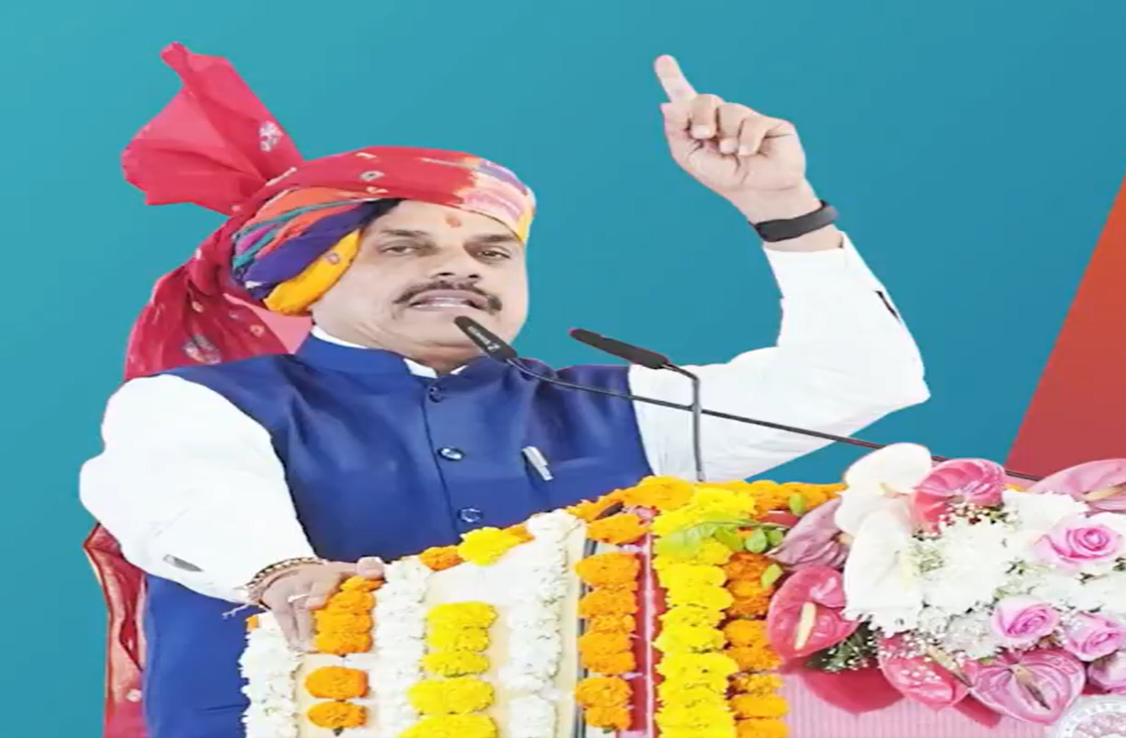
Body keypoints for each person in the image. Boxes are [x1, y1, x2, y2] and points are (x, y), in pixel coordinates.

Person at [80, 43, 928, 738]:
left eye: (492, 253)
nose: (460, 267)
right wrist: (282, 572)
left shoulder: (614, 407)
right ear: (310, 276)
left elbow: (858, 380)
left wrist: (782, 205)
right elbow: (185, 494)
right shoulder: (201, 404)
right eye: (404, 248)